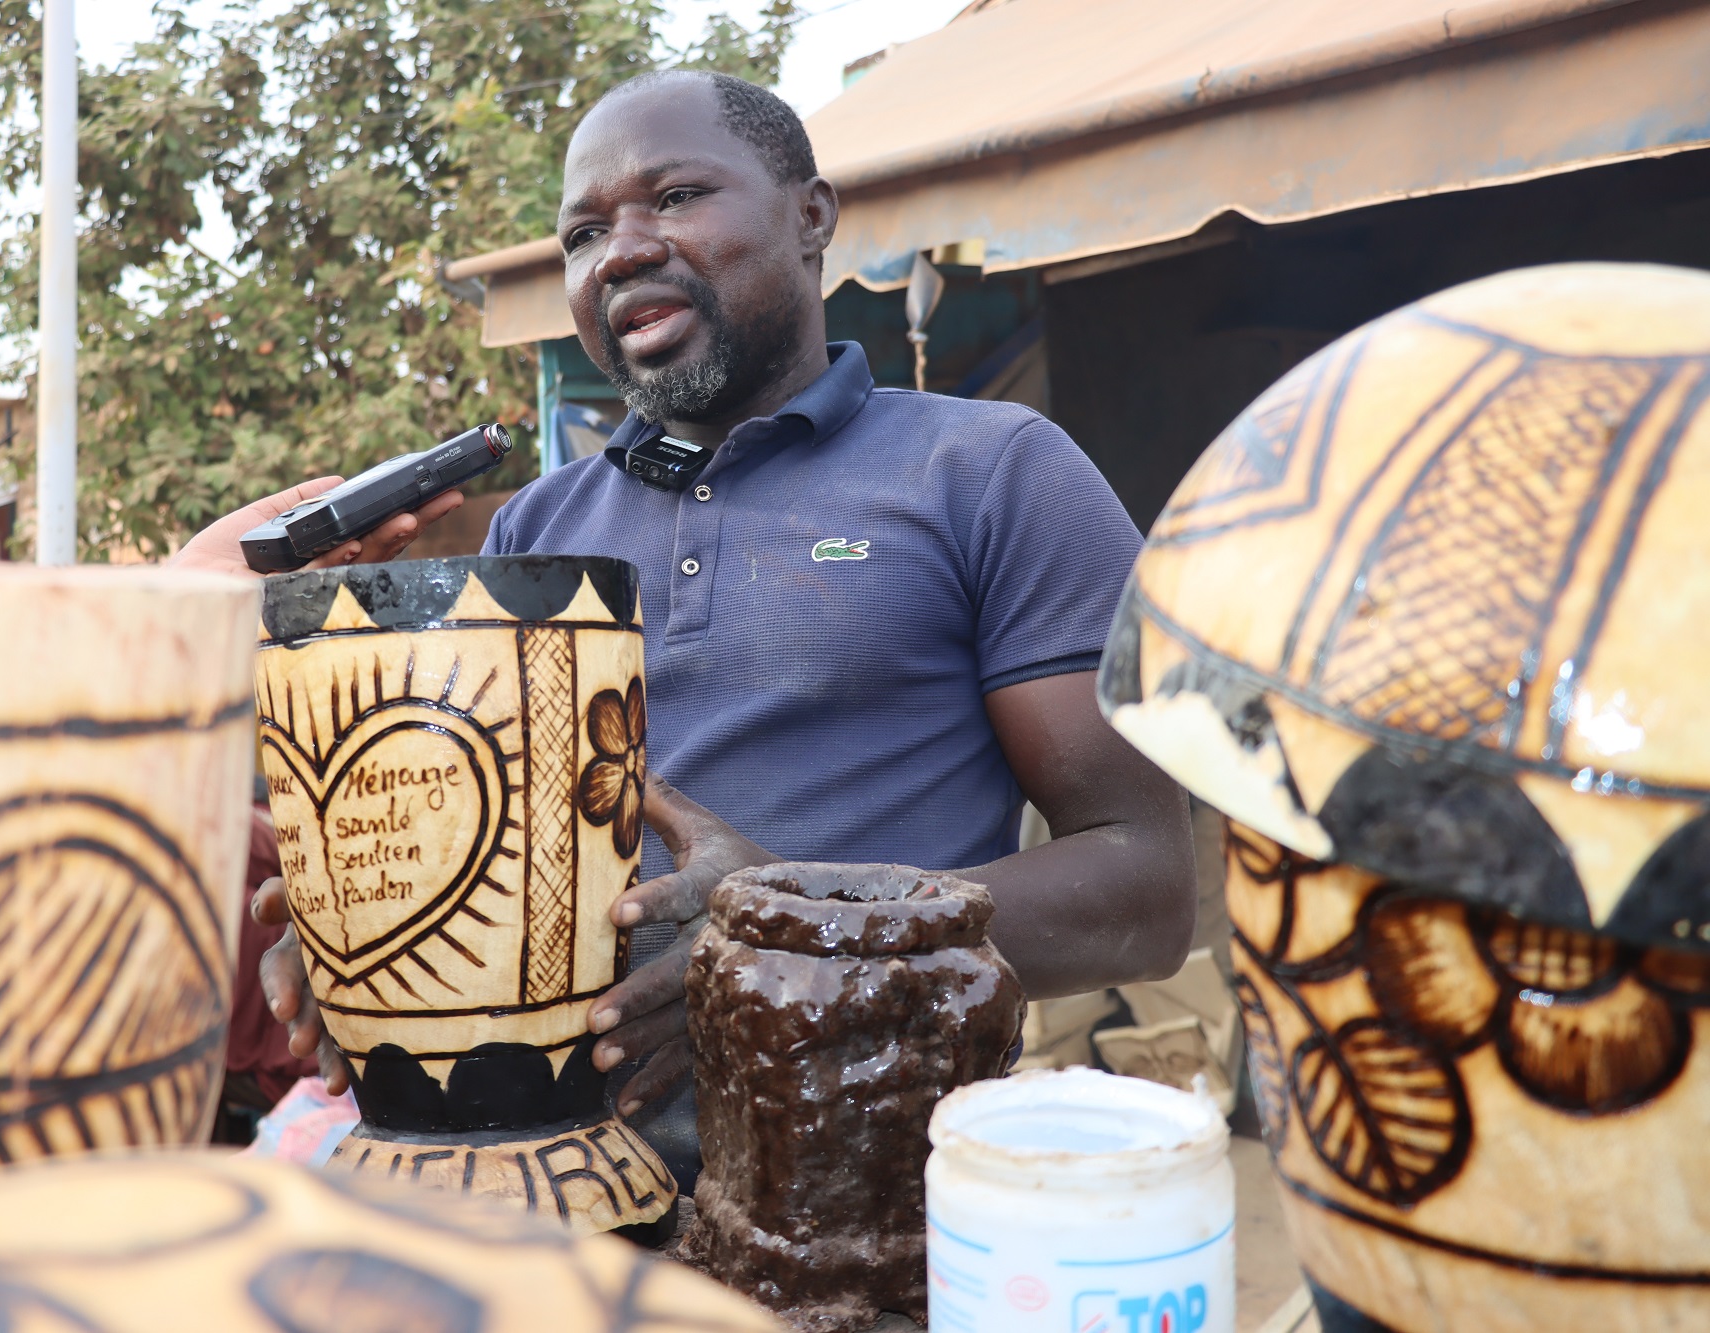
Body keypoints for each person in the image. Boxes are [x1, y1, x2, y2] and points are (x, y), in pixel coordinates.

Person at [175, 70, 1195, 1154]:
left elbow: (1143, 885)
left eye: (673, 198)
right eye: (580, 235)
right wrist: (372, 927)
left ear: (812, 215)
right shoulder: (534, 531)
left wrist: (801, 932)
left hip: (859, 1203)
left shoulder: (989, 471)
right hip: (556, 1183)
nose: (618, 252)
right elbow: (497, 852)